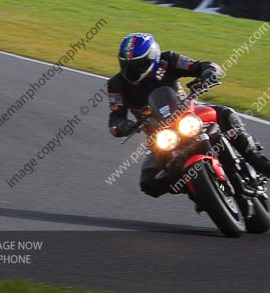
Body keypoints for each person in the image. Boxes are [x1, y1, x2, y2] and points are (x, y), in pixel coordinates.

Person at [108, 32, 270, 198]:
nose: (131, 71)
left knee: (226, 115)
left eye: (138, 66)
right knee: (149, 183)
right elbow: (115, 118)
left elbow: (204, 65)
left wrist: (209, 73)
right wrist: (121, 125)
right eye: (126, 65)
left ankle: (257, 160)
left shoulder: (169, 60)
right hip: (160, 137)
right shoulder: (116, 84)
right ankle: (197, 189)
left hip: (189, 115)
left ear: (152, 58)